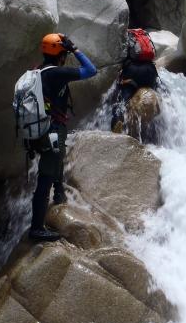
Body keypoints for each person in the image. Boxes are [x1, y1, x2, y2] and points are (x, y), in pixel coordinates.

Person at [29, 33, 97, 242]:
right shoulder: (57, 73)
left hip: (38, 130)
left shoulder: (37, 71)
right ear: (61, 53)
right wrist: (75, 49)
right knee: (45, 176)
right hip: (52, 130)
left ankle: (59, 194)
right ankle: (36, 228)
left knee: (57, 160)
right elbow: (91, 70)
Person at [111, 28, 159, 134]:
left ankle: (117, 121)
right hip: (150, 71)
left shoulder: (127, 38)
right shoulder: (145, 37)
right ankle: (159, 119)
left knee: (121, 100)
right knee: (159, 90)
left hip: (132, 72)